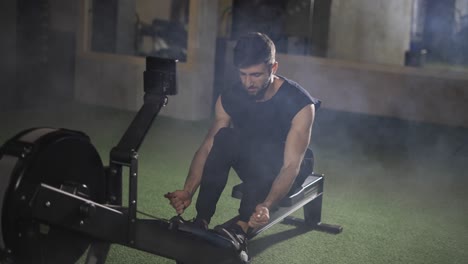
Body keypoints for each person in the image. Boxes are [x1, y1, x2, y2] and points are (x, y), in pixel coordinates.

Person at [165, 32, 320, 261]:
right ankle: (201, 219)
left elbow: (290, 166)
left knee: (263, 155)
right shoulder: (231, 96)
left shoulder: (300, 103)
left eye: (256, 75)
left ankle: (241, 228)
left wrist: (266, 205)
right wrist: (188, 189)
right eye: (243, 74)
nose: (248, 82)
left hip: (289, 164)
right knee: (225, 137)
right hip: (254, 157)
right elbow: (209, 146)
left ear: (273, 68)